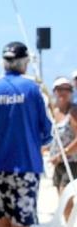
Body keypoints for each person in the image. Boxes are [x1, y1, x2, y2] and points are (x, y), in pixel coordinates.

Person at [0, 41, 53, 227]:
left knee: (1, 224)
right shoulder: (32, 89)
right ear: (25, 62)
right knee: (21, 226)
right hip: (25, 166)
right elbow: (46, 132)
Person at [48, 75, 77, 217]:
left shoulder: (74, 112)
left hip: (71, 162)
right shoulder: (54, 112)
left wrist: (62, 154)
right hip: (58, 163)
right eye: (59, 89)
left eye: (66, 89)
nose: (63, 92)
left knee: (66, 200)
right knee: (62, 200)